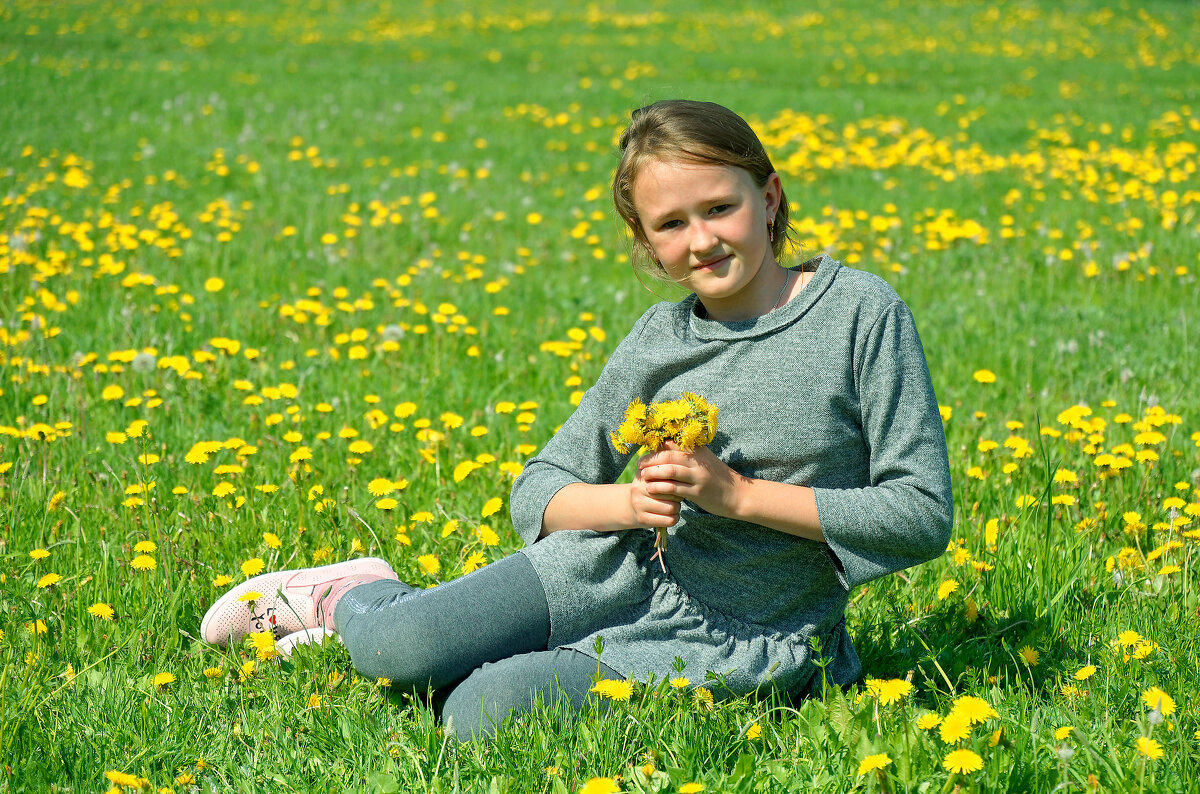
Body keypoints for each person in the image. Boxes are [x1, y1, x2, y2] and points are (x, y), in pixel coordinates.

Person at [200, 99, 953, 740]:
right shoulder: (659, 342)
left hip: (751, 641)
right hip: (606, 573)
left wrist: (737, 496)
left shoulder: (859, 314)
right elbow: (539, 490)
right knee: (405, 645)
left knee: (478, 717)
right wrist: (625, 503)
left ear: (771, 196)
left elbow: (920, 516)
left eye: (720, 207)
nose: (701, 240)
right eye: (671, 224)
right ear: (647, 243)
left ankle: (441, 648)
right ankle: (352, 597)